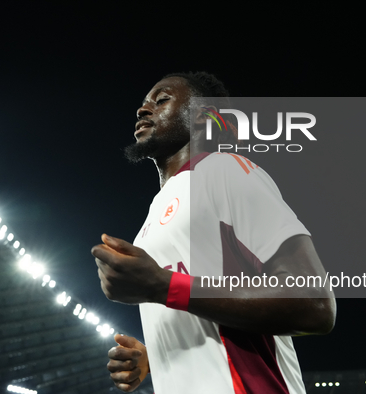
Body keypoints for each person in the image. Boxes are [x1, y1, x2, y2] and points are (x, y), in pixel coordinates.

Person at [91, 72, 336, 394]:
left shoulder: (224, 170)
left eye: (161, 100)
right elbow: (203, 317)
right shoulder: (156, 211)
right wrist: (158, 355)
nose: (143, 109)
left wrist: (163, 286)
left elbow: (314, 304)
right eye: (143, 103)